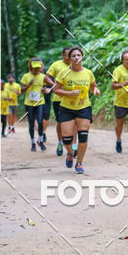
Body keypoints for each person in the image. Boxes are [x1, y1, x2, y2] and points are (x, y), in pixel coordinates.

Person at [51, 46, 100, 174]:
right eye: (73, 56)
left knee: (83, 136)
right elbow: (55, 89)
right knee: (67, 139)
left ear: (82, 57)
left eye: (78, 55)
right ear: (69, 58)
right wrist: (69, 93)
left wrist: (95, 90)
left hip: (84, 108)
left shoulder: (88, 73)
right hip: (66, 108)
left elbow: (93, 86)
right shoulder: (64, 73)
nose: (76, 57)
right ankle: (72, 152)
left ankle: (79, 163)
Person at [44, 47, 76, 156]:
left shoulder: (76, 65)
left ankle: (74, 145)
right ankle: (60, 142)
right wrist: (54, 86)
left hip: (74, 99)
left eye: (70, 54)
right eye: (67, 54)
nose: (68, 57)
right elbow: (46, 78)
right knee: (61, 122)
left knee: (75, 123)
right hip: (59, 99)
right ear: (62, 55)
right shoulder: (56, 65)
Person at [20, 58, 47, 152]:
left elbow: (45, 87)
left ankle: (40, 140)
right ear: (31, 67)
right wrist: (29, 84)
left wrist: (44, 89)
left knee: (40, 121)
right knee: (31, 123)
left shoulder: (43, 76)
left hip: (40, 102)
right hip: (29, 103)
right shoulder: (26, 76)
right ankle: (33, 142)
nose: (36, 69)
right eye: (34, 68)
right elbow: (22, 90)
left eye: (38, 68)